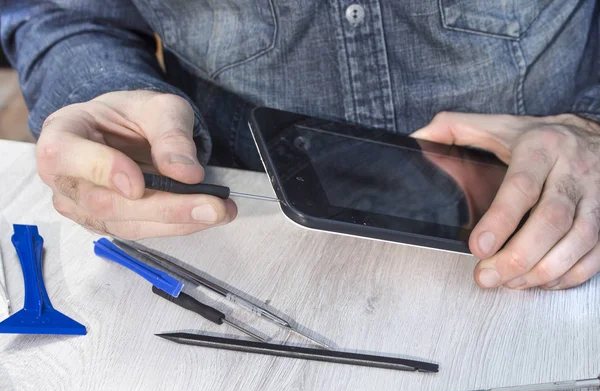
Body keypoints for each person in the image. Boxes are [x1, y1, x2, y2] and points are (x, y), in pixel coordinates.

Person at [1, 1, 599, 291]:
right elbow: (63, 13)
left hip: (551, 220)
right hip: (232, 225)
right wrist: (104, 92)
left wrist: (593, 129)